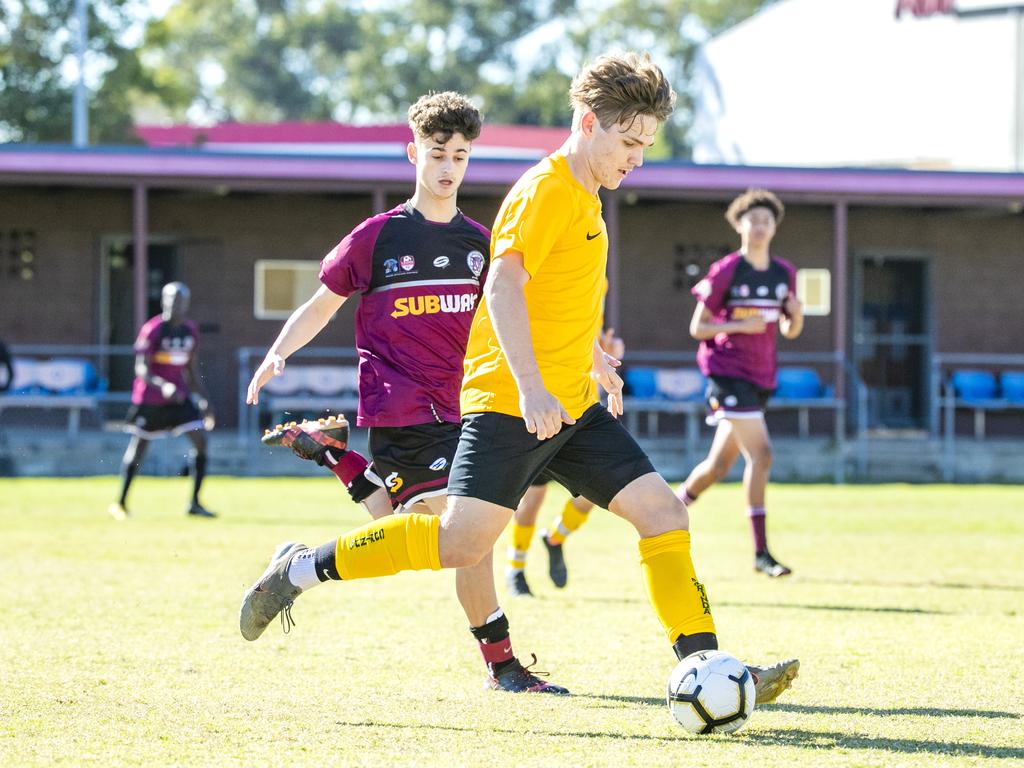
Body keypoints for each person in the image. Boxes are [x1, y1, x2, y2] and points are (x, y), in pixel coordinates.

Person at [239, 54, 799, 703]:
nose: (638, 157)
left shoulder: (587, 195)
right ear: (589, 123)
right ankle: (300, 569)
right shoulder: (548, 189)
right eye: (630, 141)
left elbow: (552, 295)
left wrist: (594, 362)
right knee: (458, 543)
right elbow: (503, 286)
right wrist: (531, 386)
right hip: (513, 403)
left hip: (572, 403)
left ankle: (709, 667)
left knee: (664, 513)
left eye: (647, 144)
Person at [245, 92, 559, 693]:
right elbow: (322, 304)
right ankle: (503, 667)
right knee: (461, 530)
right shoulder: (378, 237)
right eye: (438, 153)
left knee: (425, 530)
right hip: (404, 409)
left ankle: (334, 464)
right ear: (413, 153)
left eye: (461, 157)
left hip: (470, 409)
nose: (448, 167)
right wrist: (278, 351)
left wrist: (589, 356)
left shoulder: (482, 244)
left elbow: (524, 311)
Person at [676, 189, 804, 577]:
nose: (761, 226)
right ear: (739, 225)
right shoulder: (728, 270)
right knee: (762, 456)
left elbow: (790, 329)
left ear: (774, 227)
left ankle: (665, 511)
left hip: (761, 376)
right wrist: (738, 325)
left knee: (716, 468)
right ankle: (761, 554)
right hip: (727, 373)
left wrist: (796, 316)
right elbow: (698, 328)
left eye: (767, 220)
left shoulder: (784, 273)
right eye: (754, 220)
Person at [505, 328, 623, 597]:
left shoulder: (595, 289)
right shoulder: (543, 293)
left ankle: (555, 538)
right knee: (531, 501)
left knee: (596, 494)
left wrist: (612, 353)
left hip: (582, 413)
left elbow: (594, 346)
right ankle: (516, 570)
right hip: (544, 410)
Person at [109, 282, 216, 520]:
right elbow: (142, 370)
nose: (175, 304)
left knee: (201, 442)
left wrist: (204, 400)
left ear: (186, 304)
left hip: (179, 399)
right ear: (163, 301)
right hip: (151, 399)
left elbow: (190, 369)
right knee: (139, 449)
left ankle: (195, 503)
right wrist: (164, 385)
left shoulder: (190, 331)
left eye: (180, 300)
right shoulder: (153, 329)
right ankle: (120, 503)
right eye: (171, 299)